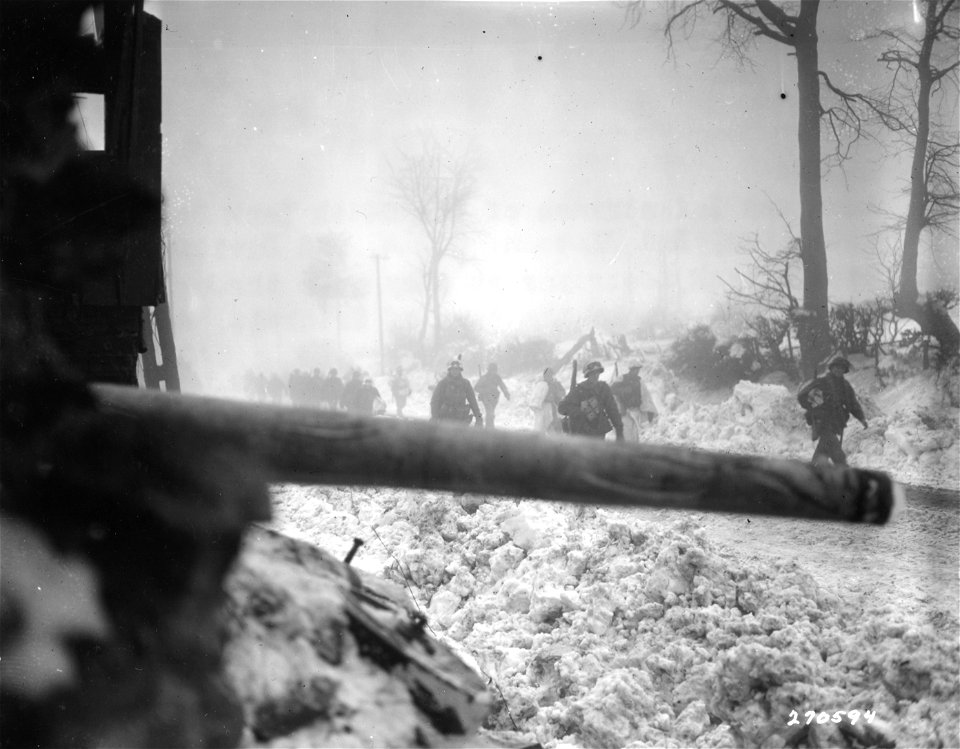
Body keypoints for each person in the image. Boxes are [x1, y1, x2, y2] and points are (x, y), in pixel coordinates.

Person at [797, 355, 868, 466]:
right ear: (831, 368)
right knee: (837, 453)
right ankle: (844, 474)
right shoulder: (822, 382)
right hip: (822, 422)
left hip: (835, 423)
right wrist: (813, 406)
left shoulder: (845, 386)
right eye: (836, 367)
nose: (838, 370)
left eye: (841, 368)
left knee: (823, 451)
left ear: (844, 371)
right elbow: (802, 395)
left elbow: (853, 404)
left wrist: (862, 418)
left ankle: (813, 473)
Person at [558, 360, 624, 441]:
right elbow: (562, 407)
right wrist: (579, 410)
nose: (596, 375)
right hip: (581, 432)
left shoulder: (603, 388)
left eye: (598, 373)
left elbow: (612, 410)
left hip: (598, 431)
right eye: (593, 373)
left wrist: (619, 430)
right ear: (588, 374)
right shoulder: (578, 390)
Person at [431, 359, 483, 426]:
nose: (455, 371)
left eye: (457, 369)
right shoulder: (443, 383)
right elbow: (435, 401)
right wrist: (434, 417)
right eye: (453, 369)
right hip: (445, 418)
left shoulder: (465, 384)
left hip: (461, 419)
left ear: (460, 370)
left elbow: (473, 401)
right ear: (450, 370)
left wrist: (478, 417)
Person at [611, 363, 646, 443]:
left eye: (638, 370)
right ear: (631, 370)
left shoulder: (638, 380)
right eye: (635, 369)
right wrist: (624, 390)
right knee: (628, 430)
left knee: (635, 432)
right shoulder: (623, 378)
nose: (637, 371)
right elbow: (612, 389)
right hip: (625, 409)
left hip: (636, 409)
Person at [474, 363, 511, 429]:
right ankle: (489, 427)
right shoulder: (484, 378)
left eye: (494, 370)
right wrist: (484, 390)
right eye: (491, 370)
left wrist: (506, 393)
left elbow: (502, 386)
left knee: (491, 412)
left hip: (494, 397)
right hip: (486, 397)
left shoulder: (497, 377)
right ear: (489, 370)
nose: (493, 372)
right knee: (489, 411)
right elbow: (476, 388)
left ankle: (489, 426)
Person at [529, 367, 566, 432]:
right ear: (544, 376)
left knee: (556, 424)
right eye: (547, 375)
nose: (549, 376)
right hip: (544, 407)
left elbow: (562, 392)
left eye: (550, 375)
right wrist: (546, 398)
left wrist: (558, 394)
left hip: (555, 406)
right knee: (542, 424)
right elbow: (537, 398)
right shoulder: (541, 385)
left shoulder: (556, 383)